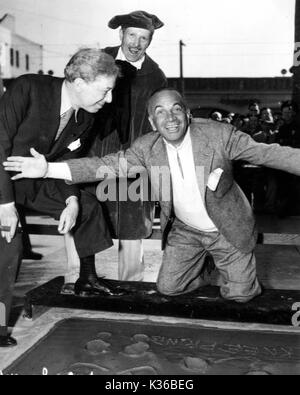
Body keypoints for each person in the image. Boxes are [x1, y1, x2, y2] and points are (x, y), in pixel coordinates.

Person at [8, 88, 300, 304]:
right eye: (160, 112)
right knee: (168, 289)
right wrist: (48, 169)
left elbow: (268, 153)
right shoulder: (147, 148)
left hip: (226, 229)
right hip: (186, 231)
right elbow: (105, 165)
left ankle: (231, 268)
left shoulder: (219, 135)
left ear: (187, 113)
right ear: (151, 121)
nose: (169, 118)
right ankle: (206, 265)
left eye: (175, 109)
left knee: (240, 296)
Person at [0, 49, 123, 347]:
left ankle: (87, 278)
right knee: (9, 245)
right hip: (1, 178)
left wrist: (71, 200)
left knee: (88, 203)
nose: (108, 100)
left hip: (35, 179)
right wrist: (4, 205)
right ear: (80, 82)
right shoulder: (28, 87)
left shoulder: (86, 116)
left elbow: (69, 162)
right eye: (105, 91)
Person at [90, 10, 167, 282]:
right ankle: (77, 278)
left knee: (132, 220)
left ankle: (130, 283)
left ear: (150, 41)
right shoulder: (97, 60)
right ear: (121, 34)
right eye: (131, 35)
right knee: (86, 214)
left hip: (134, 156)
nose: (136, 43)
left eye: (143, 38)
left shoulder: (155, 76)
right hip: (95, 151)